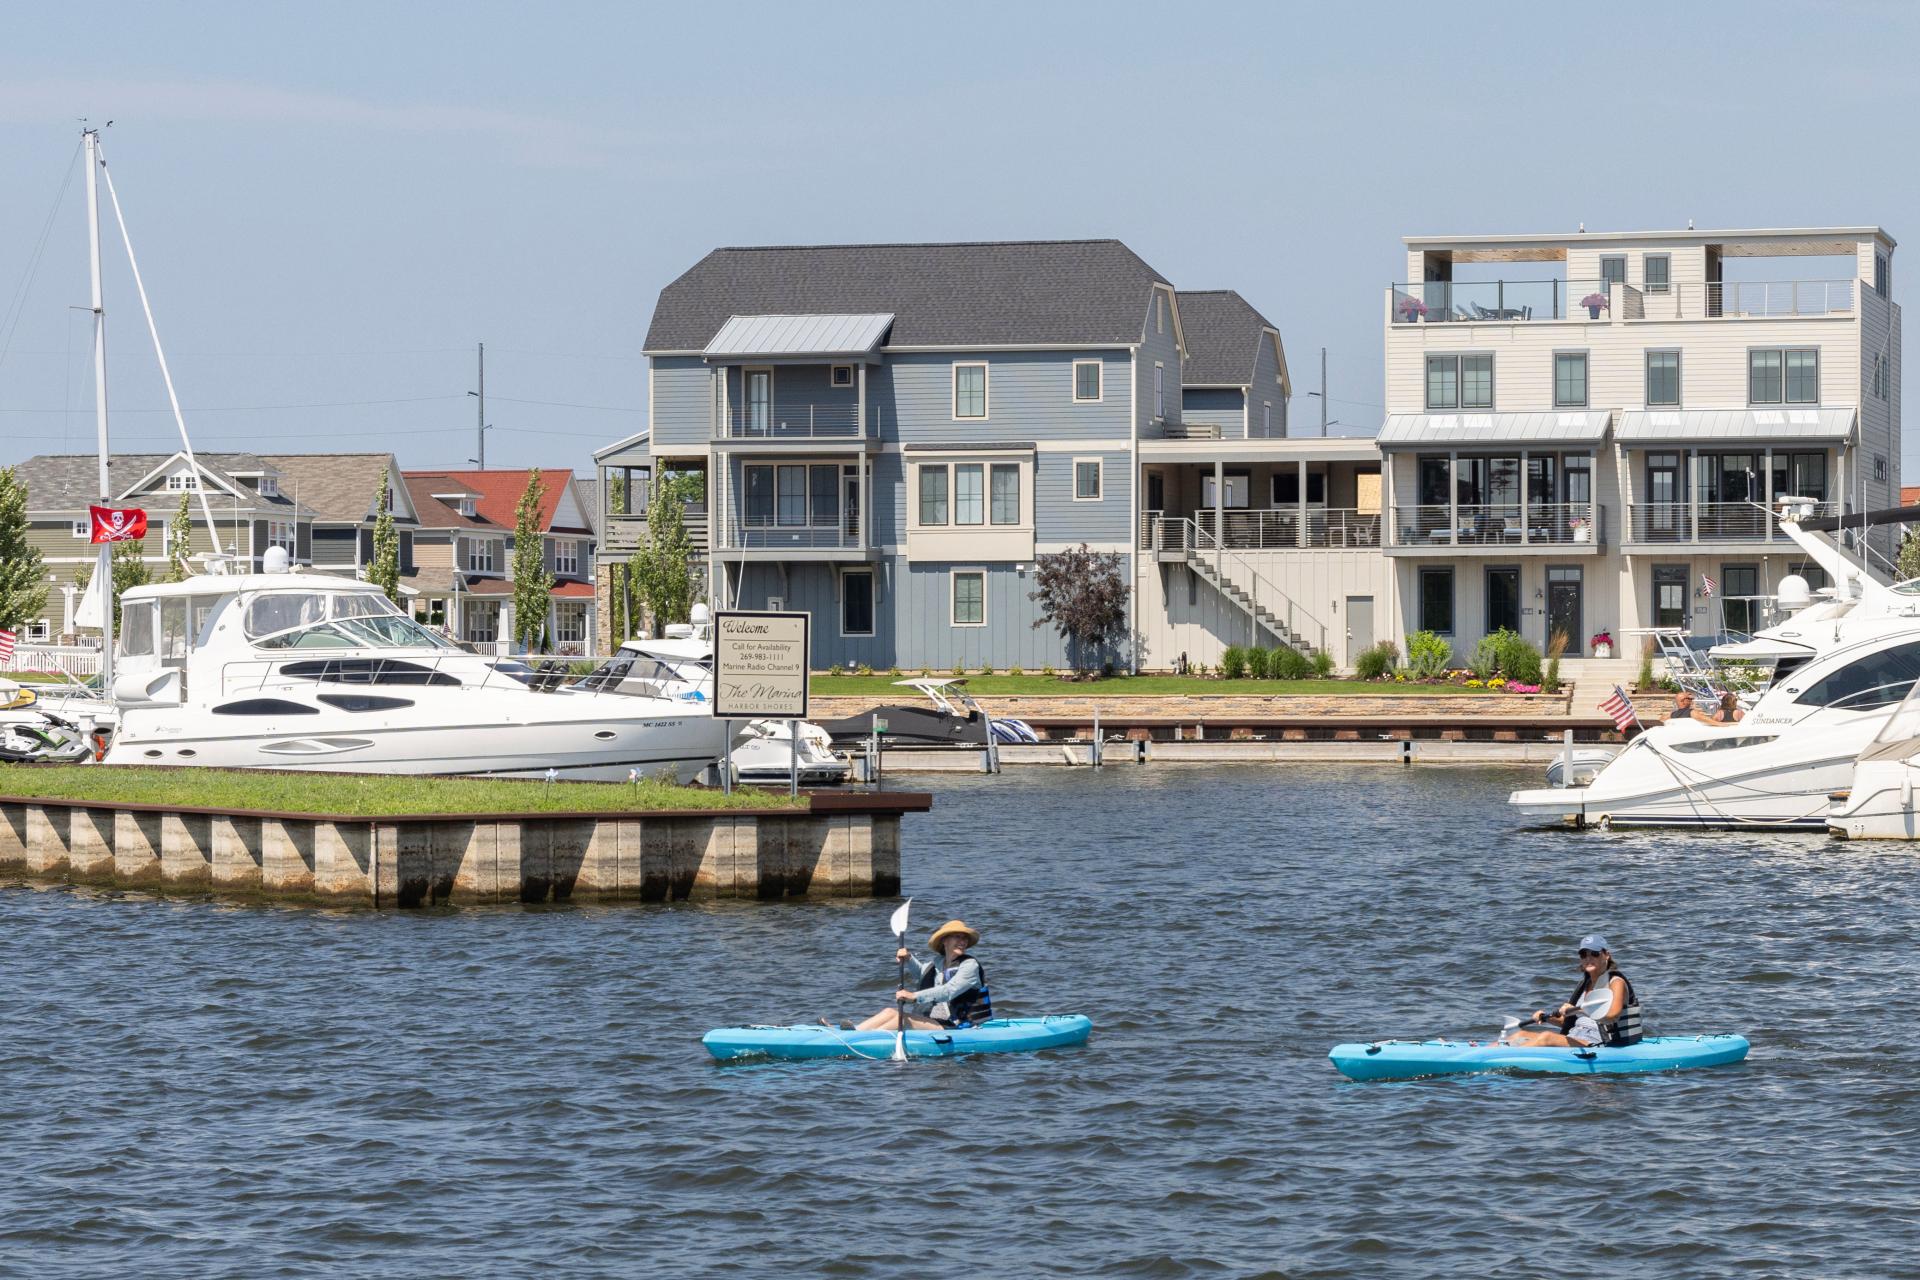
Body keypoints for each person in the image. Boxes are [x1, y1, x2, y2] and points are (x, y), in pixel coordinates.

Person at [851, 919, 994, 1032]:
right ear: (944, 940)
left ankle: (859, 1042)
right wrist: (908, 958)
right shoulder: (938, 962)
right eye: (958, 937)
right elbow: (921, 974)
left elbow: (949, 990)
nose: (963, 942)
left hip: (959, 1025)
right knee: (889, 1012)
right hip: (937, 1020)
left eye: (965, 938)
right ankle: (853, 1033)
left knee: (901, 1020)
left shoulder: (970, 965)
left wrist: (914, 996)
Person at [1506, 935, 1643, 1048]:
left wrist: (1578, 1010)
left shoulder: (1616, 982)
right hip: (1575, 1035)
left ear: (1606, 955)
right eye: (1584, 955)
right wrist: (1546, 1018)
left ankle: (1504, 1061)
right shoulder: (1585, 984)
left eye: (1594, 954)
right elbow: (1571, 1022)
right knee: (1519, 1035)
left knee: (1546, 1037)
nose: (1588, 958)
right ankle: (1488, 1058)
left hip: (1599, 1041)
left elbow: (1613, 1015)